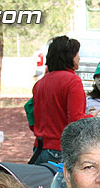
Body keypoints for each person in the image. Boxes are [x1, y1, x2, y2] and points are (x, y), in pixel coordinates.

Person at [31, 35, 91, 165]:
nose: (79, 58)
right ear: (69, 57)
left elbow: (32, 117)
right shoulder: (72, 81)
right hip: (60, 151)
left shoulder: (40, 83)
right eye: (77, 54)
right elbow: (75, 121)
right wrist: (91, 117)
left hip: (39, 149)